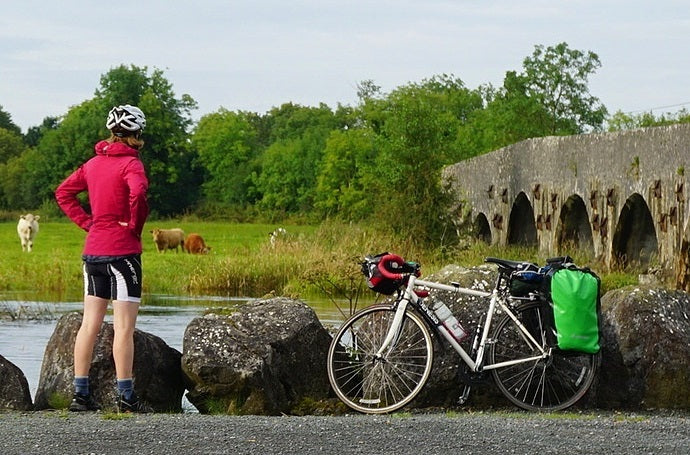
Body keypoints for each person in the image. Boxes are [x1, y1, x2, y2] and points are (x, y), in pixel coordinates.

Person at [55, 104, 151, 413]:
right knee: (123, 328)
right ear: (136, 134)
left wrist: (88, 223)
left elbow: (63, 193)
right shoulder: (132, 165)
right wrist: (134, 227)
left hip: (93, 253)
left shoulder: (92, 164)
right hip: (123, 254)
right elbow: (138, 193)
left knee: (89, 325)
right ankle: (126, 397)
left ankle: (80, 396)